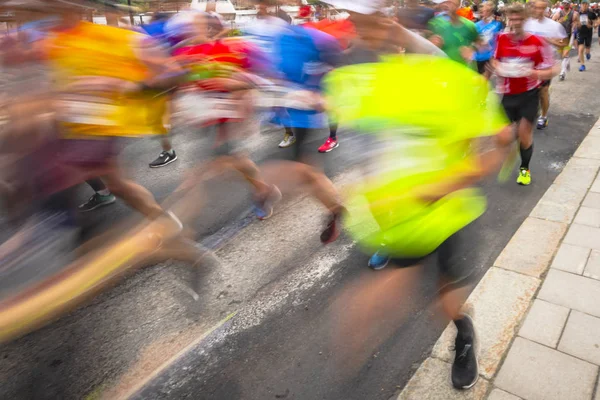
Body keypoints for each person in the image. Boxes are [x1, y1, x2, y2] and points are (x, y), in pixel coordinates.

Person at [324, 0, 510, 391]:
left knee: (444, 304)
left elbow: (496, 148)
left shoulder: (448, 80)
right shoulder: (366, 81)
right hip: (399, 217)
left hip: (449, 212)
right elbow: (370, 152)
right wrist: (351, 203)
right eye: (358, 26)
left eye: (373, 25)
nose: (365, 35)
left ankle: (464, 334)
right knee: (388, 291)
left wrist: (437, 187)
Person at [493, 3, 557, 186]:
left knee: (524, 132)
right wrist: (500, 68)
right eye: (512, 19)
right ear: (508, 19)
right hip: (508, 94)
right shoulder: (502, 39)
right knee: (502, 137)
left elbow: (553, 69)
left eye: (519, 19)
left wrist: (535, 74)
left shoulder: (536, 41)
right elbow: (495, 60)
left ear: (525, 19)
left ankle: (524, 169)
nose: (515, 22)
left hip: (528, 94)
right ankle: (514, 147)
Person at [524, 0, 567, 129]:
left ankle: (543, 116)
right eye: (536, 8)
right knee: (530, 92)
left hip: (546, 65)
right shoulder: (526, 24)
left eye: (542, 8)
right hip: (529, 64)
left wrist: (550, 41)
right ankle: (532, 111)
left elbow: (564, 43)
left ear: (547, 9)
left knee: (543, 91)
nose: (538, 11)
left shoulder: (555, 26)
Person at [429, 0, 481, 69]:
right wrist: (431, 43)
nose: (447, 5)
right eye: (445, 2)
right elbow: (425, 47)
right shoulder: (434, 23)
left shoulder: (469, 25)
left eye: (450, 2)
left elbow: (480, 43)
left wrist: (472, 49)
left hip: (464, 70)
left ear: (459, 4)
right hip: (443, 69)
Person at [474, 1, 503, 76]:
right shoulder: (476, 25)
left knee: (487, 81)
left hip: (492, 58)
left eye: (487, 10)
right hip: (479, 57)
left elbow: (501, 40)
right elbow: (473, 41)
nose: (483, 12)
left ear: (491, 12)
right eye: (482, 10)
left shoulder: (498, 24)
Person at [552, 0, 578, 80]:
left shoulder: (574, 13)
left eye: (567, 3)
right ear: (562, 4)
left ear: (569, 4)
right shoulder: (559, 13)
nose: (566, 4)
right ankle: (567, 61)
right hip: (560, 37)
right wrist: (558, 21)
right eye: (564, 3)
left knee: (565, 54)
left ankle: (562, 73)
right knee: (561, 55)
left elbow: (577, 23)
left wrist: (574, 25)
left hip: (570, 36)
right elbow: (551, 22)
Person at [576, 0, 598, 71]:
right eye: (583, 4)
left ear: (588, 5)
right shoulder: (577, 14)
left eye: (586, 4)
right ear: (581, 5)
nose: (584, 6)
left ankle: (588, 54)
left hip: (588, 33)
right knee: (581, 49)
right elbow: (574, 23)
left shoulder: (591, 14)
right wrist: (577, 25)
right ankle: (582, 65)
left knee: (587, 49)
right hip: (580, 33)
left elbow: (596, 24)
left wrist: (591, 26)